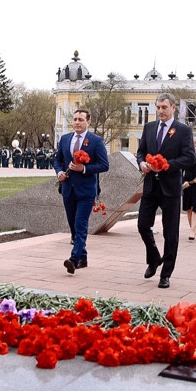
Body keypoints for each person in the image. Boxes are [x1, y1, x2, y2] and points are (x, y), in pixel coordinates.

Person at [136, 93, 196, 289]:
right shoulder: (149, 127)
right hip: (150, 186)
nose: (160, 111)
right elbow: (141, 152)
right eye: (158, 107)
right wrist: (142, 163)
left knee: (170, 233)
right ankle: (154, 257)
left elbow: (189, 157)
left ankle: (166, 274)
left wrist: (166, 165)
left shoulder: (183, 130)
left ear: (173, 108)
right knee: (143, 225)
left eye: (164, 107)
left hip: (170, 188)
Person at [54, 109, 110, 273]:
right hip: (68, 190)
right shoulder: (65, 139)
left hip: (86, 191)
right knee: (73, 225)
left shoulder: (95, 141)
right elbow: (58, 160)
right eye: (75, 119)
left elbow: (104, 165)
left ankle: (74, 259)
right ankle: (83, 258)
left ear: (88, 122)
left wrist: (84, 168)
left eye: (81, 119)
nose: (77, 122)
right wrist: (59, 172)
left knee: (80, 224)